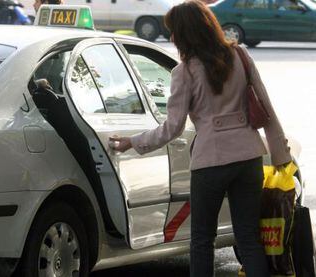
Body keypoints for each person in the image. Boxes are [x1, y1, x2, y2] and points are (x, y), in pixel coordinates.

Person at [109, 1, 291, 276]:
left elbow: (172, 128)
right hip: (248, 157)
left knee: (203, 241)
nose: (171, 37)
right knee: (249, 238)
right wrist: (281, 156)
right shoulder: (240, 56)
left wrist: (133, 142)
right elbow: (266, 108)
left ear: (186, 33)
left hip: (211, 163)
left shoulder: (185, 72)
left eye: (173, 31)